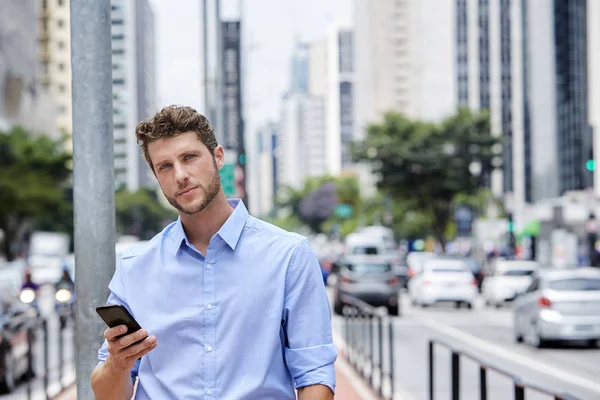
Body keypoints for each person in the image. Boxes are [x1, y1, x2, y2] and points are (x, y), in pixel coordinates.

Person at [91, 106, 337, 400]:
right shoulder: (134, 267)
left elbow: (315, 375)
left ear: (218, 157)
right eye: (165, 166)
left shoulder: (289, 256)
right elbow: (107, 394)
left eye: (189, 158)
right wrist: (117, 364)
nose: (180, 175)